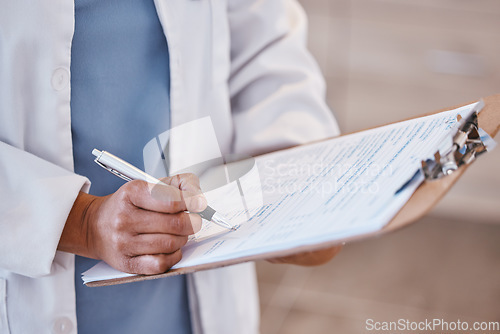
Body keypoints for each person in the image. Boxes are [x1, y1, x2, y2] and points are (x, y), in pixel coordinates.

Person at [0, 0, 342, 333]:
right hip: (29, 294)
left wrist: (294, 174)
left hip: (193, 292)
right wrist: (83, 223)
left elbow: (265, 46)